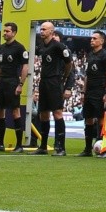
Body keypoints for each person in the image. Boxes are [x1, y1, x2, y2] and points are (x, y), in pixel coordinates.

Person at [34, 21, 73, 156]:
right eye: (41, 29)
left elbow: (69, 63)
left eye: (44, 29)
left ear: (51, 32)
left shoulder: (58, 46)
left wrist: (63, 77)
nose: (41, 31)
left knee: (57, 113)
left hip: (54, 82)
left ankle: (61, 148)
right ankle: (43, 146)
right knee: (43, 113)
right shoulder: (42, 46)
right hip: (44, 82)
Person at [0, 21, 30, 153]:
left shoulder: (19, 48)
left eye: (7, 31)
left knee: (15, 111)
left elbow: (25, 67)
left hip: (13, 82)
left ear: (14, 33)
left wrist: (20, 84)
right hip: (1, 82)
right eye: (4, 31)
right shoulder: (1, 48)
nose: (5, 33)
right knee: (0, 111)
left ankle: (19, 145)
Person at [76, 30, 106, 158]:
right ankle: (87, 149)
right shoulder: (91, 55)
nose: (91, 40)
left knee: (101, 120)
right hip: (89, 93)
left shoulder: (105, 56)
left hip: (100, 92)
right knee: (88, 119)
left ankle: (104, 149)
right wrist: (83, 92)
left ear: (102, 41)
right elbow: (87, 76)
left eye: (94, 38)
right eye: (91, 38)